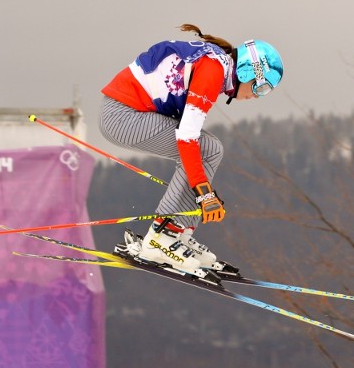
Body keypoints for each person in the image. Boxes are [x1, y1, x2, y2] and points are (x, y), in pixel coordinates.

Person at [100, 24, 283, 282]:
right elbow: (187, 138)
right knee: (206, 150)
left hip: (127, 113)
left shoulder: (215, 66)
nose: (257, 96)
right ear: (245, 71)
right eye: (260, 87)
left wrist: (202, 189)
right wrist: (203, 192)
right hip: (122, 116)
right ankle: (160, 238)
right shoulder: (213, 71)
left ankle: (177, 232)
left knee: (211, 150)